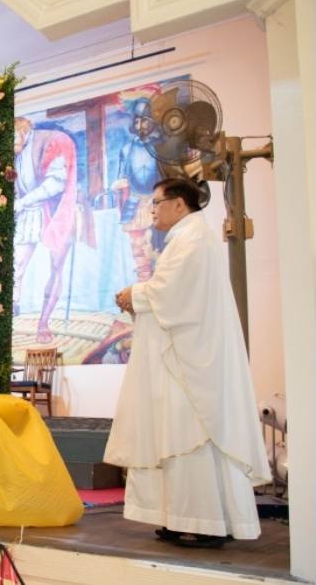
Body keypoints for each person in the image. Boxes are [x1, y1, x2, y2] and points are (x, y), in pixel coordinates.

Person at [105, 178, 271, 548]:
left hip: (192, 365)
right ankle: (179, 516)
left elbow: (171, 292)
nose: (152, 212)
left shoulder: (193, 239)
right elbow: (171, 291)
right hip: (184, 357)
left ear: (179, 204)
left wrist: (135, 293)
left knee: (189, 438)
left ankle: (206, 521)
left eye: (157, 204)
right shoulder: (187, 238)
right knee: (176, 437)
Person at [12, 117, 77, 343]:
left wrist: (22, 202)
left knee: (55, 267)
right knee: (16, 265)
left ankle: (43, 322)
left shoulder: (51, 141)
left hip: (56, 210)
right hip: (30, 211)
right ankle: (14, 307)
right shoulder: (15, 153)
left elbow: (56, 184)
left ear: (22, 131)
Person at [112, 97, 164, 281]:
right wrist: (119, 184)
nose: (140, 124)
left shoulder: (160, 147)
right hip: (135, 202)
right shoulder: (127, 149)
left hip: (157, 203)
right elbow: (121, 177)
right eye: (137, 120)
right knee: (137, 248)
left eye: (144, 120)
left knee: (157, 247)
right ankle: (143, 284)